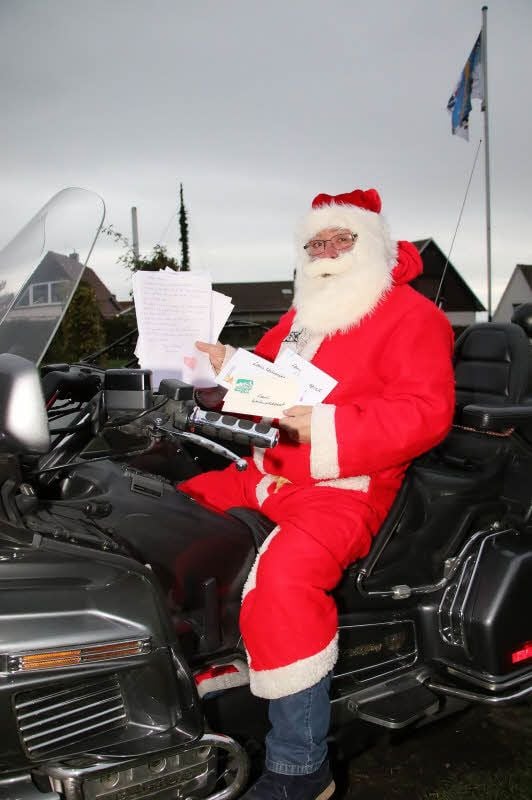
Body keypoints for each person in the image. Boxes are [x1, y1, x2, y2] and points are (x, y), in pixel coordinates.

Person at [179, 188, 455, 800]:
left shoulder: (415, 317)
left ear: (373, 246)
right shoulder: (302, 317)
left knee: (283, 582)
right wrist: (227, 370)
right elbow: (270, 385)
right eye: (315, 243)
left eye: (340, 239)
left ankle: (301, 770)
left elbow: (424, 414)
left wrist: (323, 425)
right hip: (269, 472)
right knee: (168, 510)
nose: (325, 251)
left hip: (346, 486)